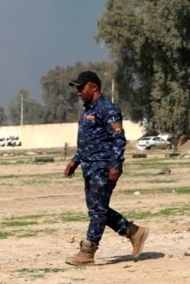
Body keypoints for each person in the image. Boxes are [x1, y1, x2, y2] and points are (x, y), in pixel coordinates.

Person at [64, 71, 149, 265]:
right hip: (89, 167)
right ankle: (134, 232)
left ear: (93, 87)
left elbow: (118, 139)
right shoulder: (88, 111)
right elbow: (87, 143)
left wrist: (115, 166)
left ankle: (87, 252)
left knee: (98, 211)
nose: (78, 91)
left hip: (103, 167)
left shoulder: (107, 109)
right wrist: (75, 161)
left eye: (81, 87)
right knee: (97, 209)